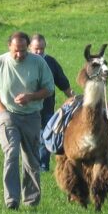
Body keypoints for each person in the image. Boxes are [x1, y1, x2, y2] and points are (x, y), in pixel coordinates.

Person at [0, 32, 54, 210]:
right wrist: (2, 110)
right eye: (16, 51)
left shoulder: (38, 63)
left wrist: (31, 97)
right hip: (8, 114)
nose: (20, 54)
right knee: (11, 154)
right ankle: (12, 200)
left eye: (23, 50)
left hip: (32, 116)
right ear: (9, 46)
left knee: (32, 160)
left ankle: (31, 200)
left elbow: (49, 88)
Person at [30, 33, 76, 172]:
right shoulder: (25, 62)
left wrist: (73, 98)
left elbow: (63, 82)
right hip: (28, 109)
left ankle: (43, 166)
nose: (39, 52)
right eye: (36, 48)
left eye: (42, 49)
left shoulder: (51, 62)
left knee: (45, 136)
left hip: (47, 108)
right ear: (30, 47)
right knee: (31, 137)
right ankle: (31, 164)